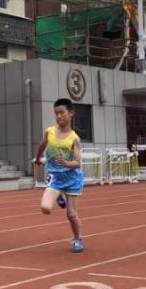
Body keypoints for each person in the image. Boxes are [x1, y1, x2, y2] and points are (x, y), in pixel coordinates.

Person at [33, 98, 86, 252]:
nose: (58, 116)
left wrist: (66, 163)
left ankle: (78, 239)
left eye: (62, 113)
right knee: (45, 208)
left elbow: (78, 163)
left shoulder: (74, 138)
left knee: (71, 214)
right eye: (56, 113)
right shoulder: (49, 132)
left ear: (71, 113)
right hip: (55, 178)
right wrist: (38, 158)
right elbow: (42, 144)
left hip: (72, 179)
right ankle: (59, 197)